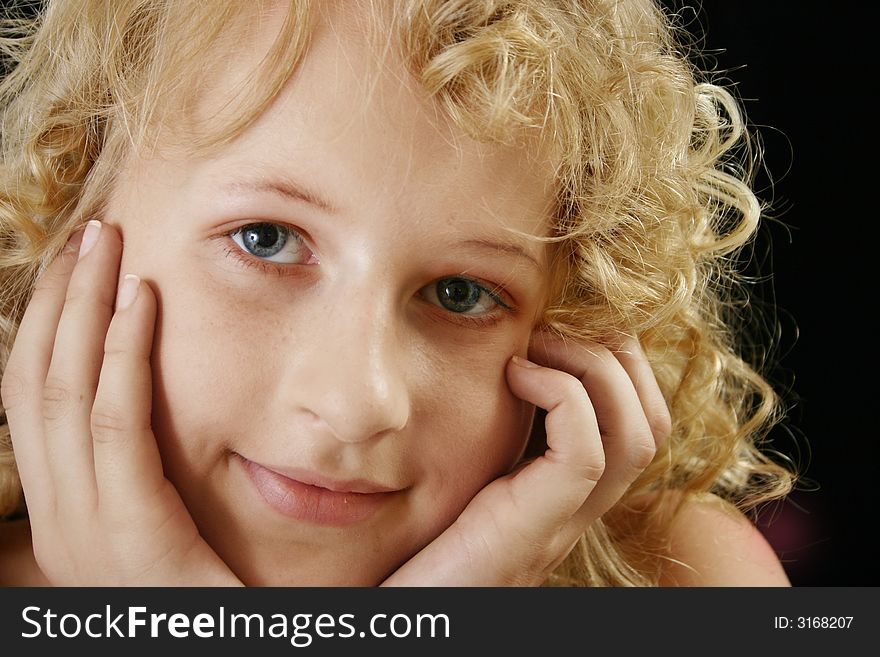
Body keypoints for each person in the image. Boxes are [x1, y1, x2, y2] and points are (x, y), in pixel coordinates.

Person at [0, 0, 795, 586]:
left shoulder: (693, 582)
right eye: (266, 239)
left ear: (576, 320)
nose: (359, 401)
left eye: (459, 291)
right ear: (71, 203)